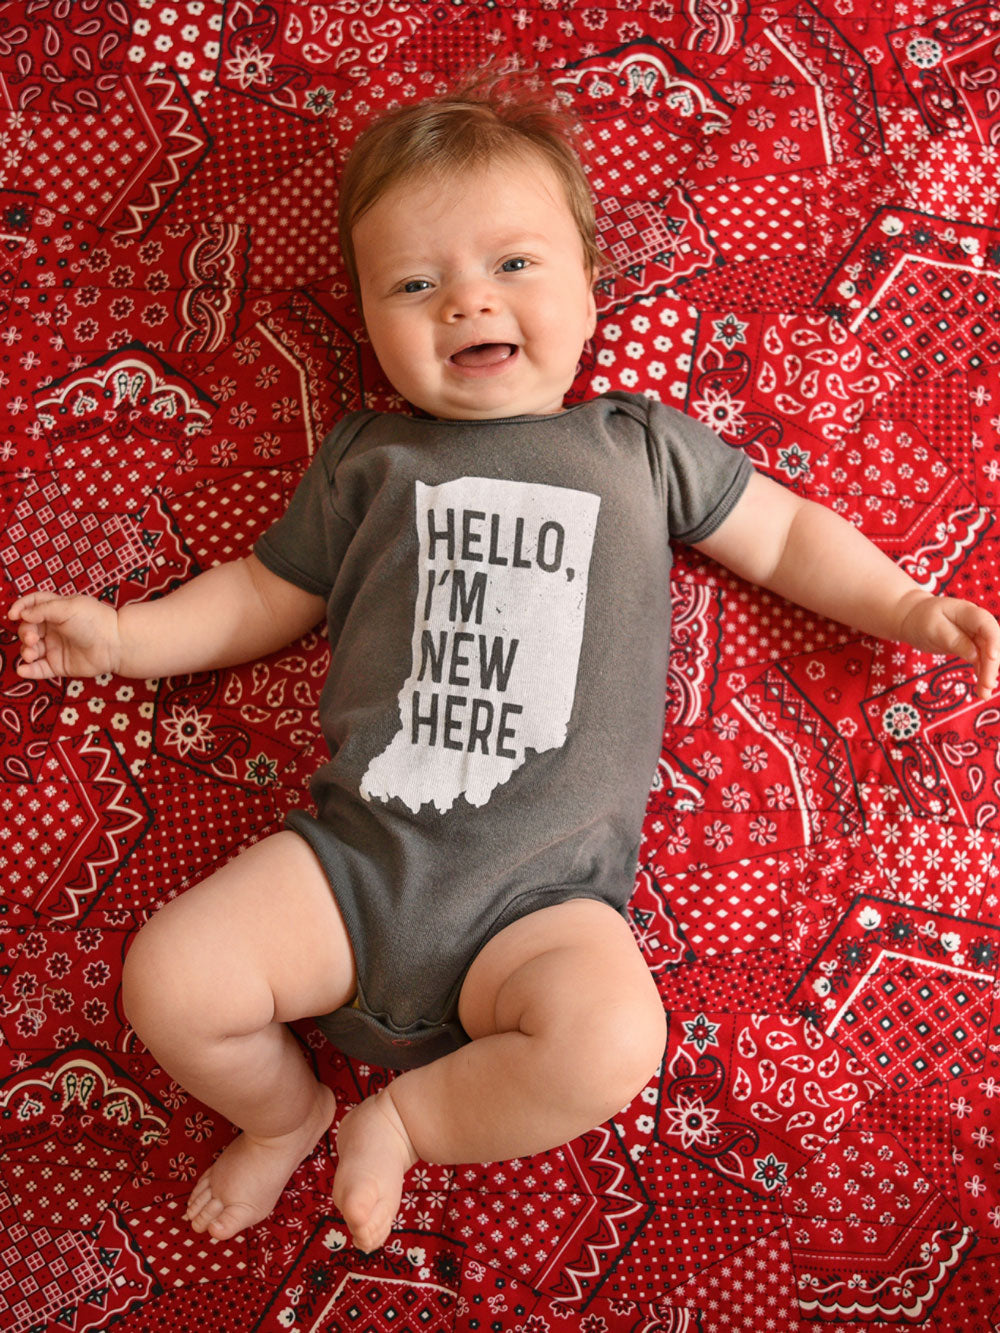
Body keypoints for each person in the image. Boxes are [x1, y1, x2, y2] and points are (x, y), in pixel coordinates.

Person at [9, 84, 1000, 1256]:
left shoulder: (633, 445)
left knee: (612, 1040)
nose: (467, 299)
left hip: (542, 907)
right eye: (414, 284)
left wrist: (900, 600)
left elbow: (781, 534)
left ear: (589, 288)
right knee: (172, 980)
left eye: (513, 263)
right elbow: (261, 595)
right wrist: (127, 640)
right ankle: (285, 1115)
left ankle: (410, 1122)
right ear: (369, 319)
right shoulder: (369, 461)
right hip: (353, 862)